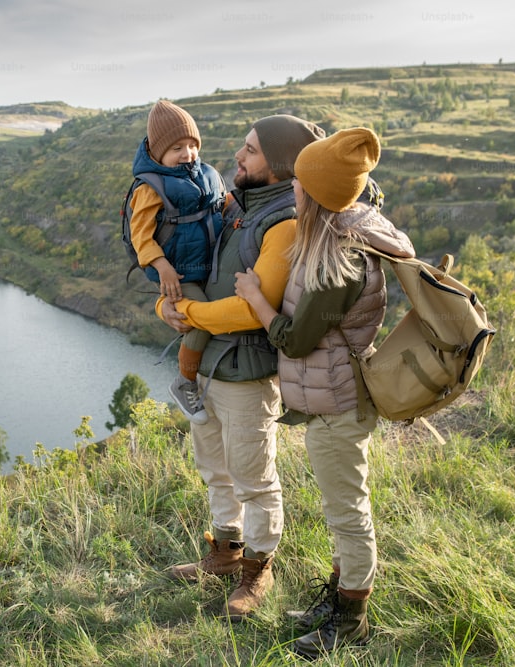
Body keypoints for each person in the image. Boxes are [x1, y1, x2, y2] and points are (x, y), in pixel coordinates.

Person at [233, 127, 415, 657]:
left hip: (338, 404)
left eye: (300, 183)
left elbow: (296, 338)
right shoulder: (338, 235)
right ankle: (337, 601)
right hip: (336, 397)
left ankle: (350, 618)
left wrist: (254, 300)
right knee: (342, 509)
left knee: (348, 514)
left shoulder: (338, 260)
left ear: (315, 194)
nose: (292, 188)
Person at [158, 114, 327, 620]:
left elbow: (252, 306)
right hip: (208, 365)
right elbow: (196, 273)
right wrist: (166, 305)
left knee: (253, 477)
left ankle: (258, 568)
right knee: (215, 471)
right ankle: (225, 554)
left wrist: (186, 314)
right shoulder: (237, 206)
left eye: (250, 151)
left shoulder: (285, 222)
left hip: (247, 372)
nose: (238, 156)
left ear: (277, 166)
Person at [127, 99, 226, 424]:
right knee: (201, 321)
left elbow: (222, 207)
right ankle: (184, 382)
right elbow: (141, 235)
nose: (187, 154)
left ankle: (202, 379)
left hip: (207, 266)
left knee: (209, 315)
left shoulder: (206, 174)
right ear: (157, 154)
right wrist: (162, 266)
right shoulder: (150, 188)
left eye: (192, 145)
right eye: (177, 148)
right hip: (178, 272)